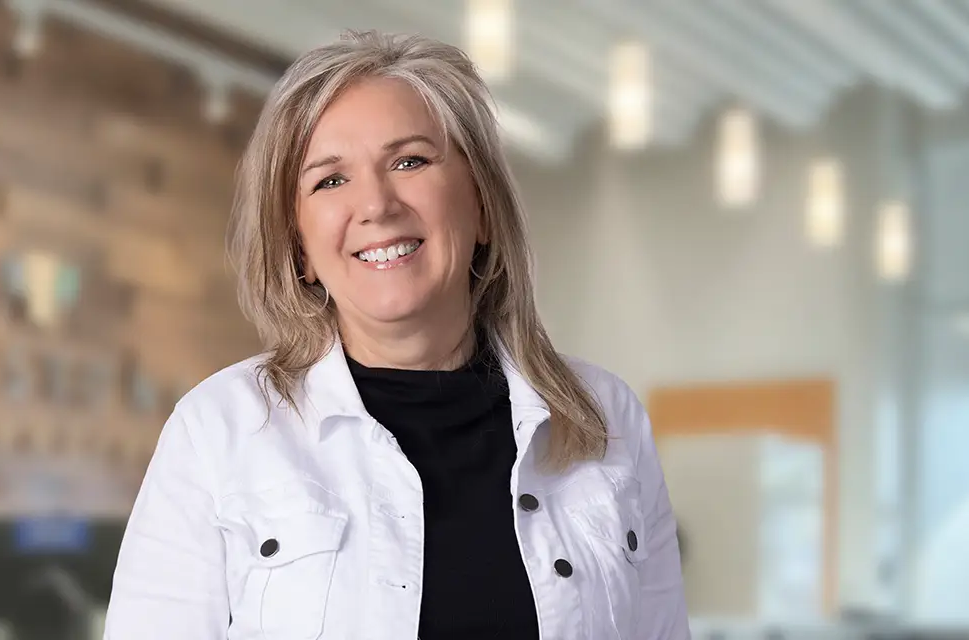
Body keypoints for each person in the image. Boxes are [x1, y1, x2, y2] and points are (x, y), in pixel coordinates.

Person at [104, 30, 689, 640]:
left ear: (482, 204)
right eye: (329, 180)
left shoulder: (607, 419)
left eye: (410, 161)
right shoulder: (217, 432)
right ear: (298, 247)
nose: (376, 205)